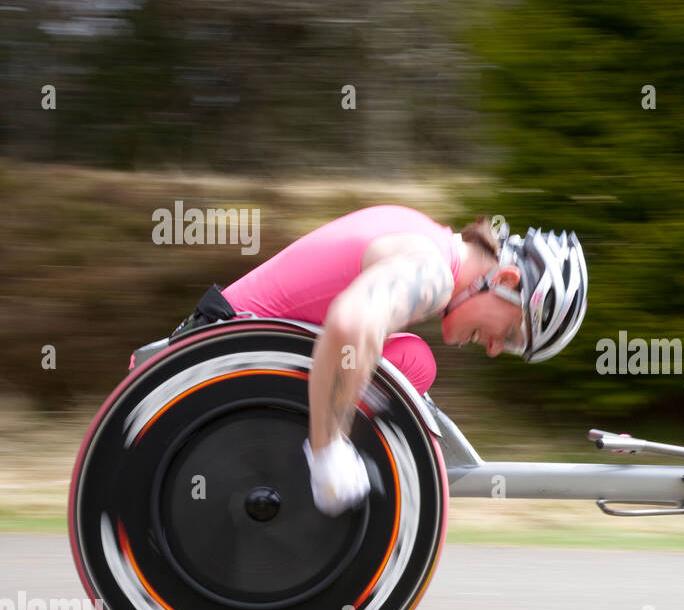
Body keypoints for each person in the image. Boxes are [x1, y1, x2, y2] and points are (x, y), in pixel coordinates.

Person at [218, 205, 587, 515]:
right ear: (506, 279)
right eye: (510, 337)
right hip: (219, 366)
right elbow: (350, 322)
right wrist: (327, 451)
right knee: (410, 366)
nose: (493, 349)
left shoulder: (427, 237)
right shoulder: (433, 272)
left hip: (231, 351)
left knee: (410, 363)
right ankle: (312, 464)